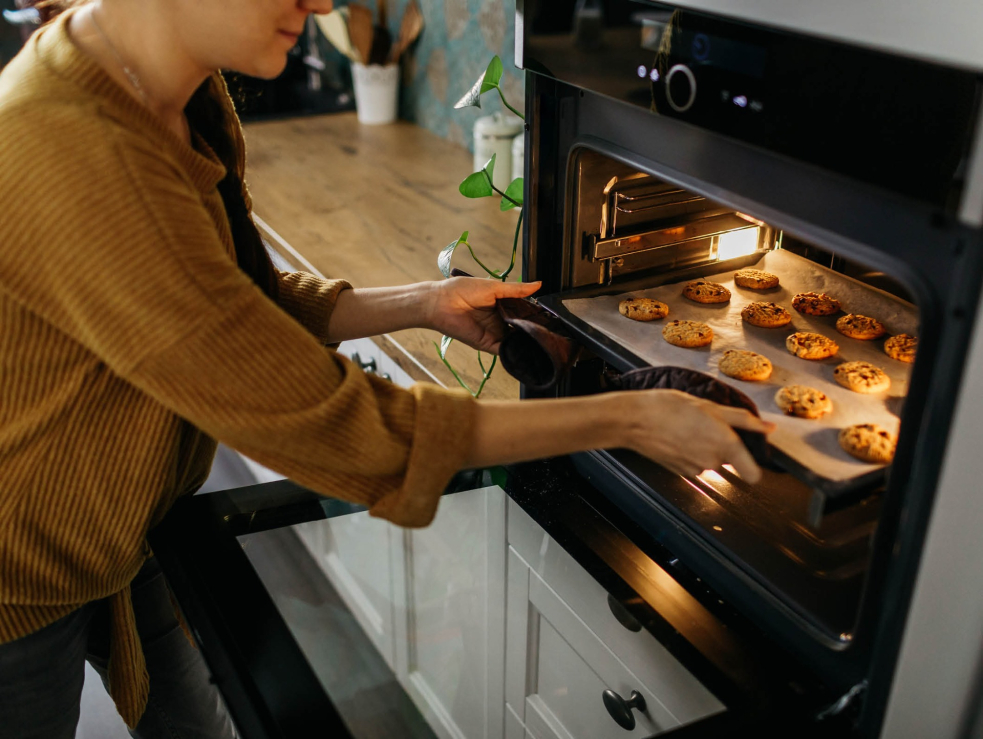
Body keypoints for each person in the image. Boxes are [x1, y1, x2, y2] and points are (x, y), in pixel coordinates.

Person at [0, 1, 773, 737]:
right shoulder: (82, 151)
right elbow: (334, 423)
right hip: (22, 571)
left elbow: (232, 303)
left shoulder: (177, 92)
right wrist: (630, 416)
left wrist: (426, 301)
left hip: (125, 522)